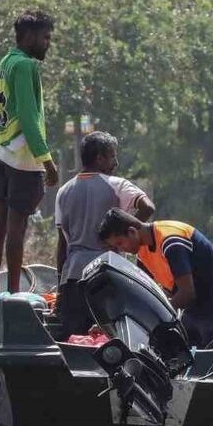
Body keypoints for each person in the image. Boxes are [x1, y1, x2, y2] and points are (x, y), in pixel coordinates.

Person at [53, 132, 155, 337]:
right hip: (109, 275)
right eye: (112, 156)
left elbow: (62, 246)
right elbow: (148, 207)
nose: (115, 162)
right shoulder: (117, 185)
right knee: (112, 341)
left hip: (73, 278)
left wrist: (60, 287)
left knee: (74, 341)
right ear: (99, 158)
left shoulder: (63, 192)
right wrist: (124, 232)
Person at [98, 209, 213, 348]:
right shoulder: (142, 250)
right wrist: (114, 320)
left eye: (120, 243)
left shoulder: (171, 241)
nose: (122, 250)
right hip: (198, 310)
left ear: (132, 231)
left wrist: (152, 317)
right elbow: (143, 292)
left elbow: (187, 294)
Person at [0, 10, 58, 294]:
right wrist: (48, 161)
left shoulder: (4, 62)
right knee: (17, 225)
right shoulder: (27, 65)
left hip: (2, 149)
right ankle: (15, 293)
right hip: (22, 154)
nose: (47, 43)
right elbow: (29, 118)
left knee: (0, 220)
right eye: (45, 37)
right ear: (28, 36)